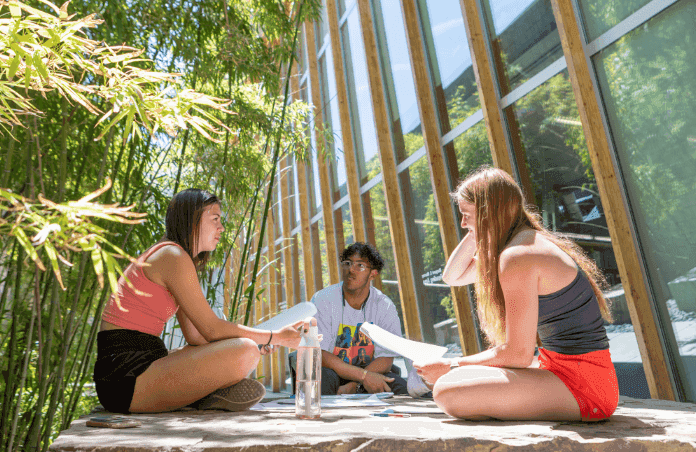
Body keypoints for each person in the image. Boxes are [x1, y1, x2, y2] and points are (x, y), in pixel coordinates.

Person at [415, 167, 618, 422]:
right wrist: (476, 230)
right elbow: (452, 276)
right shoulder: (522, 243)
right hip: (565, 370)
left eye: (467, 216)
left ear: (490, 213)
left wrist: (451, 365)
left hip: (584, 386)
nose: (463, 224)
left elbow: (518, 355)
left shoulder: (519, 255)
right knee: (454, 382)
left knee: (448, 389)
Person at [93, 188, 308, 414]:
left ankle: (202, 394)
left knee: (245, 348)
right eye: (214, 219)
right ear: (192, 220)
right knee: (245, 351)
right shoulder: (172, 256)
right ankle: (203, 394)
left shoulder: (174, 256)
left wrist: (254, 342)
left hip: (138, 369)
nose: (221, 228)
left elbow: (196, 337)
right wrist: (276, 337)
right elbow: (212, 329)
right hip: (125, 378)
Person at [308, 242, 408, 395]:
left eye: (360, 265)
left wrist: (356, 385)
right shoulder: (323, 299)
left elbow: (386, 359)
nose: (351, 270)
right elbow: (320, 354)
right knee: (322, 378)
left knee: (400, 387)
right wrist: (363, 377)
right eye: (347, 263)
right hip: (333, 372)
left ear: (373, 273)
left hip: (370, 372)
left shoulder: (384, 306)